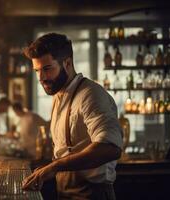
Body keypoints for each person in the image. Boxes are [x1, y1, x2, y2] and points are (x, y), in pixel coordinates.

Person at [22, 33, 123, 200]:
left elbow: (110, 149)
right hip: (65, 191)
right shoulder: (58, 95)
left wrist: (54, 167)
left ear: (67, 63)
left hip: (92, 194)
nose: (41, 78)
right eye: (37, 71)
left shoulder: (90, 94)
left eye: (47, 69)